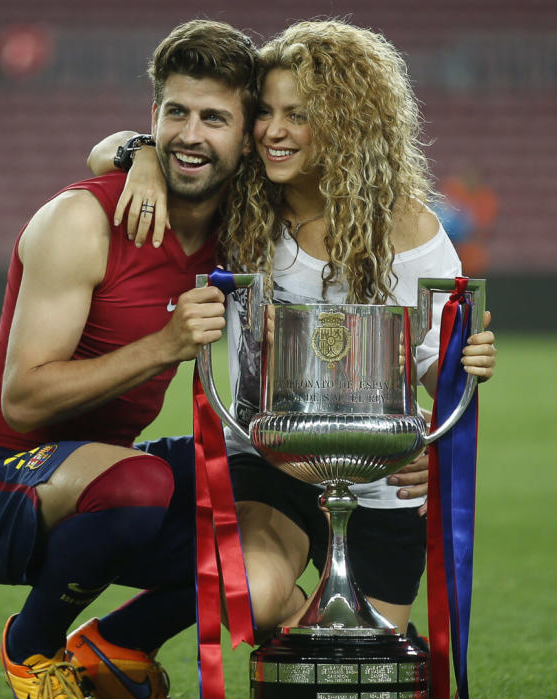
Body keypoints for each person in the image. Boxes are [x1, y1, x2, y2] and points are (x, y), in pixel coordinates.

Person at [88, 19, 497, 638]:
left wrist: (458, 382)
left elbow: (434, 365)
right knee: (249, 598)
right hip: (268, 457)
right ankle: (141, 639)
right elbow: (106, 151)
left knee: (365, 657)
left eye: (298, 115)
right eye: (267, 112)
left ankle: (346, 643)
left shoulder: (412, 233)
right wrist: (142, 155)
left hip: (378, 474)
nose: (274, 131)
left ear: (348, 123)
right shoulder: (242, 200)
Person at [0, 20, 257, 699]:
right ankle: (32, 649)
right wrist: (166, 347)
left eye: (214, 117)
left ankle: (117, 644)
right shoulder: (83, 222)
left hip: (108, 482)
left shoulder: (240, 230)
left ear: (248, 133)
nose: (191, 133)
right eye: (175, 113)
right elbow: (22, 399)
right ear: (153, 116)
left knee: (269, 501)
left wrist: (450, 350)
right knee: (140, 482)